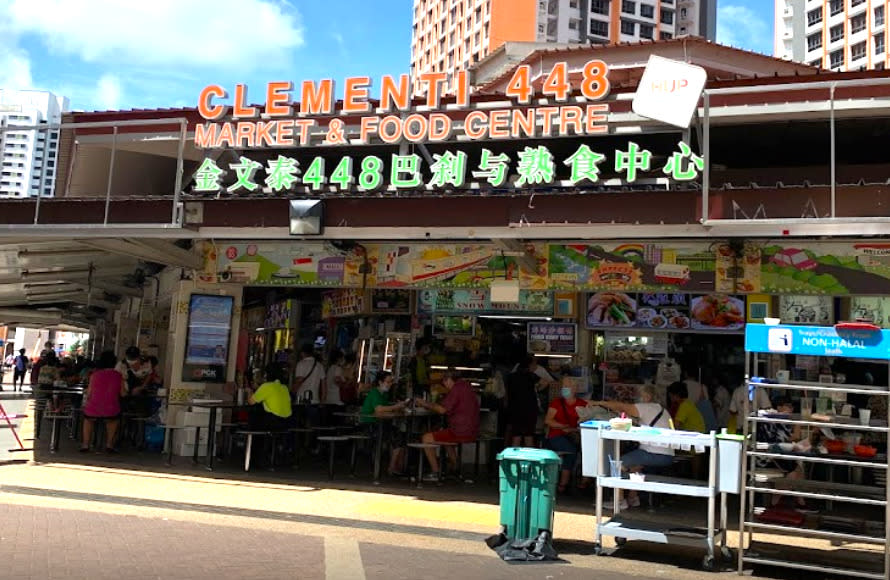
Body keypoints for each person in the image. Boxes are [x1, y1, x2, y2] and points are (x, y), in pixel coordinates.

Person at [592, 385, 673, 509]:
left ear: (647, 396)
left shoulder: (647, 407)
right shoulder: (660, 409)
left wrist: (598, 403)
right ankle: (632, 498)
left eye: (639, 395)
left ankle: (619, 501)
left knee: (616, 463)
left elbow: (621, 406)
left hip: (653, 453)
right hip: (665, 454)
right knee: (634, 466)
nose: (637, 398)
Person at [415, 369, 480, 481]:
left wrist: (424, 403)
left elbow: (442, 410)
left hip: (460, 430)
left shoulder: (456, 389)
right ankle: (455, 468)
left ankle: (435, 472)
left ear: (449, 379)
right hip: (472, 429)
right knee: (447, 440)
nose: (444, 385)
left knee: (426, 438)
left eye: (444, 382)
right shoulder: (467, 387)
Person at [544, 377, 591, 493]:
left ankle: (584, 480)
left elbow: (588, 421)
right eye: (563, 387)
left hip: (575, 436)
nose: (564, 389)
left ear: (575, 389)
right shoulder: (556, 403)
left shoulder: (582, 404)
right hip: (556, 435)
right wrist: (563, 427)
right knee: (571, 451)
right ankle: (563, 483)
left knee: (588, 451)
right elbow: (548, 420)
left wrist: (574, 430)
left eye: (567, 387)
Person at [360, 371, 409, 476]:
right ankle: (392, 467)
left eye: (391, 382)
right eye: (388, 382)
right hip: (370, 425)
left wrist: (396, 409)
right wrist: (396, 407)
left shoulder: (384, 394)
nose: (390, 384)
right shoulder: (374, 393)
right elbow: (379, 410)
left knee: (399, 437)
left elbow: (385, 410)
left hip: (380, 424)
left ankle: (394, 466)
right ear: (380, 382)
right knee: (397, 437)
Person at [80, 351, 127, 453]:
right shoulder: (118, 376)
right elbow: (123, 393)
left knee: (88, 420)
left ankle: (85, 444)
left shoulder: (94, 375)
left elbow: (89, 393)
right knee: (113, 420)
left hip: (93, 408)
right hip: (111, 409)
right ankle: (109, 444)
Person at [505, 354, 542, 447]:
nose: (535, 367)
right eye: (534, 365)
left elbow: (507, 393)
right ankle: (529, 459)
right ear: (529, 365)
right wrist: (538, 388)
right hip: (529, 410)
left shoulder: (511, 376)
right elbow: (545, 382)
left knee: (516, 436)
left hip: (514, 410)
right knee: (528, 436)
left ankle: (514, 459)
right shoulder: (531, 376)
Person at [247, 363, 293, 431]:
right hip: (287, 423)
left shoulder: (266, 386)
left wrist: (249, 391)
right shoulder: (284, 387)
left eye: (265, 373)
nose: (265, 376)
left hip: (273, 423)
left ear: (268, 374)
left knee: (253, 418)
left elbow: (251, 402)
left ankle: (251, 439)